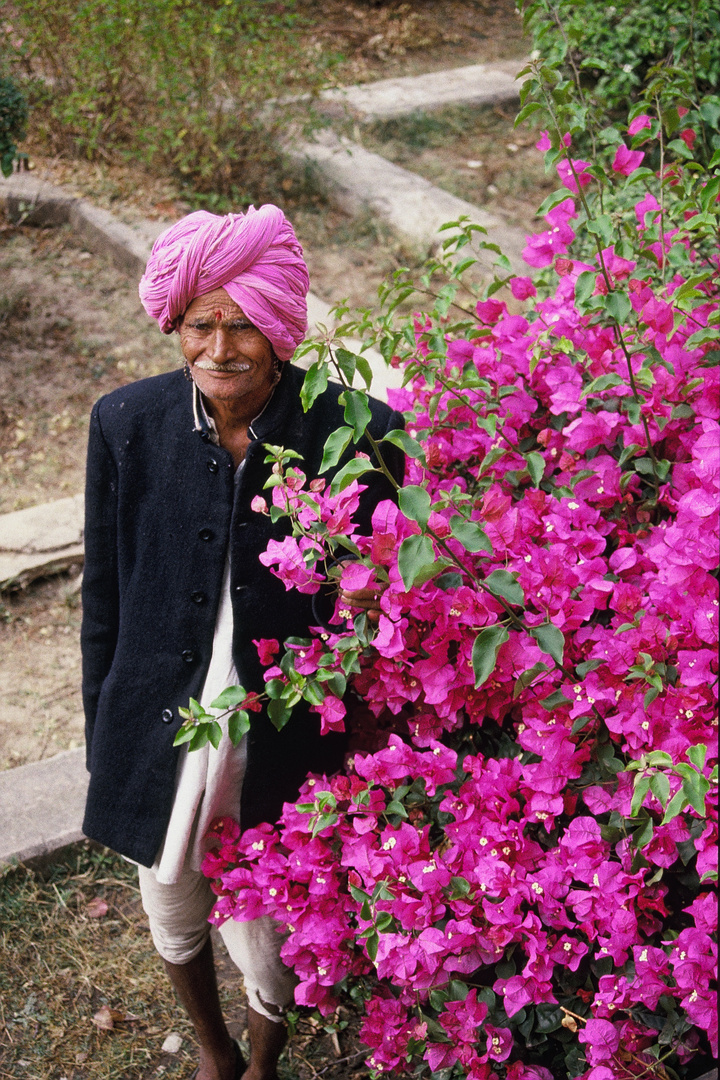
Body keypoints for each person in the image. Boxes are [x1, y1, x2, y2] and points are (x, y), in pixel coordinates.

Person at [80, 205, 404, 1080]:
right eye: (200, 324)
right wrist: (100, 734)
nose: (220, 348)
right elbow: (103, 595)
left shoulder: (362, 433)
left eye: (244, 325)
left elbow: (370, 615)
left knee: (272, 941)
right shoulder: (125, 423)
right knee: (172, 901)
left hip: (280, 733)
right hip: (160, 722)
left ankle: (264, 1057)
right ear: (176, 324)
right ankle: (217, 1053)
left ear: (281, 329)